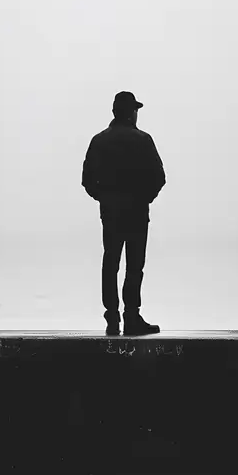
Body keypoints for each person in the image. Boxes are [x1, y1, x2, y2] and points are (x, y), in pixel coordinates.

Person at [82, 91, 166, 336]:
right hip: (138, 212)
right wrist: (144, 198)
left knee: (111, 263)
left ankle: (112, 319)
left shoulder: (99, 141)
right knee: (134, 265)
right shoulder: (143, 140)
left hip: (111, 213)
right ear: (131, 113)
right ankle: (131, 317)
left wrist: (105, 198)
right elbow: (159, 178)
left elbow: (87, 180)